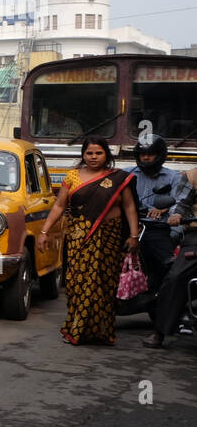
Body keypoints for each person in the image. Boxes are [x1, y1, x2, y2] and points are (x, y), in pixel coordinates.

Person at [36, 136, 140, 346]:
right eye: (89, 153)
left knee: (104, 284)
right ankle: (76, 329)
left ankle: (103, 332)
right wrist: (44, 231)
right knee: (77, 283)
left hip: (109, 238)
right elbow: (59, 206)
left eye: (98, 153)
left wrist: (133, 235)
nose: (93, 157)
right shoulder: (72, 177)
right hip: (78, 236)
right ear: (83, 155)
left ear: (106, 155)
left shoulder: (119, 178)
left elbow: (129, 208)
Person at [129, 135, 190, 292]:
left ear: (160, 155)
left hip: (158, 227)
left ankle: (159, 292)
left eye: (151, 153)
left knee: (167, 262)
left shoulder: (175, 177)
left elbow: (179, 202)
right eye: (142, 154)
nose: (146, 157)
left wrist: (164, 209)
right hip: (130, 225)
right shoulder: (126, 175)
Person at [146, 165, 197, 347]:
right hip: (195, 237)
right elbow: (182, 202)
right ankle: (160, 331)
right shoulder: (193, 175)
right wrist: (176, 215)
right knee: (175, 277)